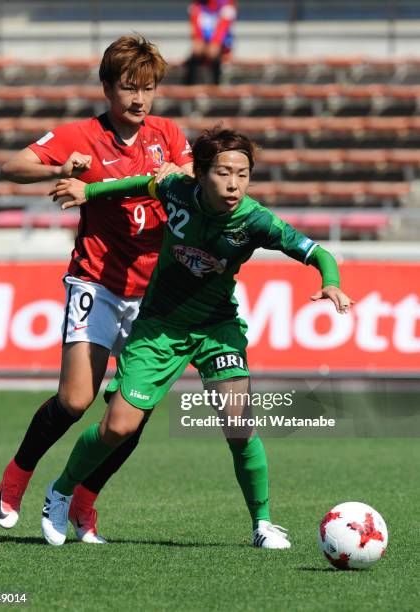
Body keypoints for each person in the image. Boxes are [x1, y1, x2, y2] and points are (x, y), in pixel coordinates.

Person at [40, 127, 354, 547]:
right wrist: (90, 191)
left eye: (243, 174)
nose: (234, 184)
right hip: (160, 326)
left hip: (217, 329)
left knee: (239, 425)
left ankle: (262, 524)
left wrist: (330, 281)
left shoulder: (256, 220)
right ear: (201, 173)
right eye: (224, 173)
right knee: (119, 428)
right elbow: (139, 183)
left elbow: (317, 253)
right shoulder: (176, 189)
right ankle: (60, 491)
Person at [0, 34, 193, 544]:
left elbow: (196, 181)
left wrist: (180, 175)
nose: (139, 99)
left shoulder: (167, 134)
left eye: (147, 89)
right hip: (97, 281)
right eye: (129, 87)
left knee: (131, 412)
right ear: (107, 87)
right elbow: (12, 166)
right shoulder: (81, 135)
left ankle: (86, 500)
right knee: (78, 399)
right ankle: (17, 476)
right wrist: (60, 169)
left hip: (153, 294)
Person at [184, 0, 237, 85]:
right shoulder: (197, 5)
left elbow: (222, 29)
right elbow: (196, 30)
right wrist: (200, 41)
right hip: (204, 44)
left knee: (213, 51)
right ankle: (189, 87)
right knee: (197, 50)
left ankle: (216, 86)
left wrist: (215, 42)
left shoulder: (226, 5)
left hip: (222, 45)